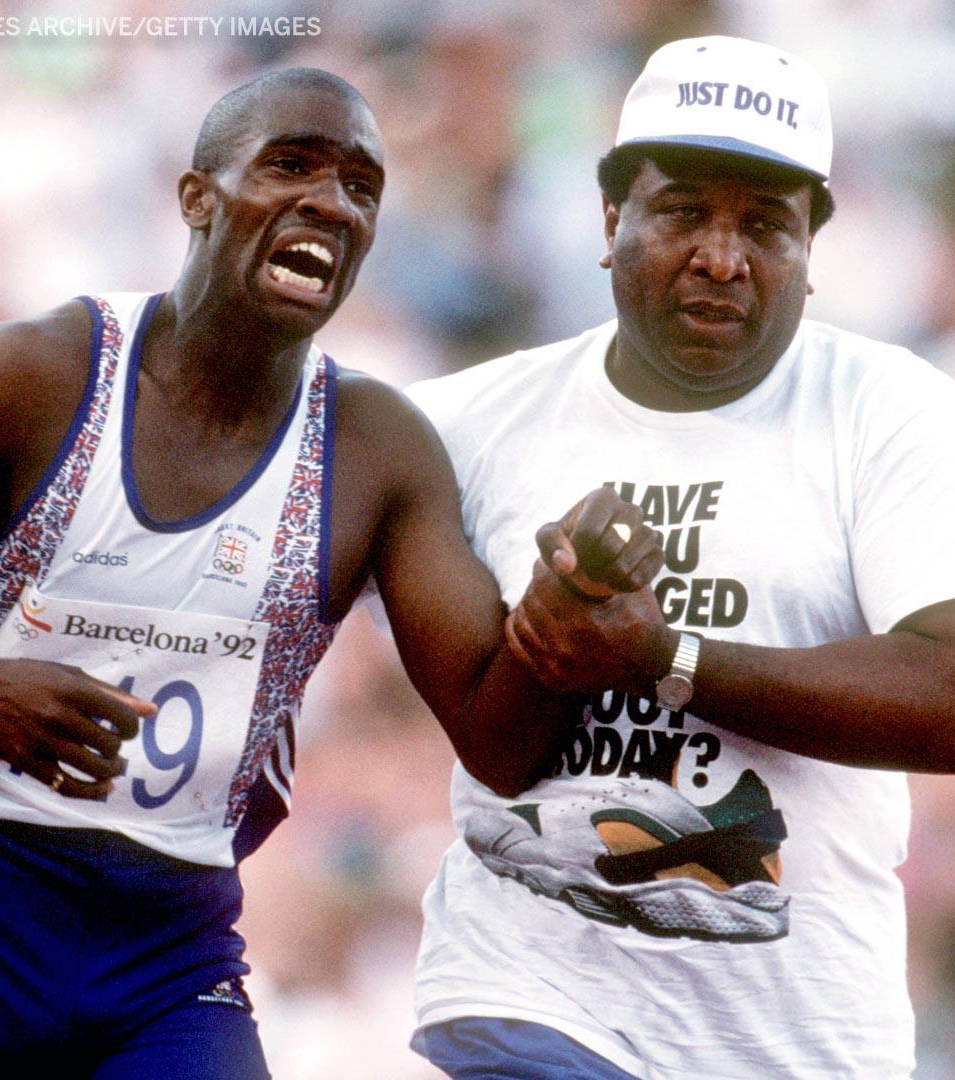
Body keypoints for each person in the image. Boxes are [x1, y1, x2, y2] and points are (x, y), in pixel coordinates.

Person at [0, 68, 660, 1078]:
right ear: (197, 197)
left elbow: (499, 741)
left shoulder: (375, 448)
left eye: (361, 187)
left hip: (169, 951)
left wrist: (570, 604)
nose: (330, 202)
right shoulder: (42, 376)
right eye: (291, 165)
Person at [405, 35, 955, 1080]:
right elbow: (491, 739)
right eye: (682, 210)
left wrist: (669, 656)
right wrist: (547, 630)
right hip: (529, 1001)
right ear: (611, 216)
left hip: (797, 1037)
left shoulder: (890, 412)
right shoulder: (466, 422)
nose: (720, 256)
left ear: (814, 243)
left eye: (764, 225)